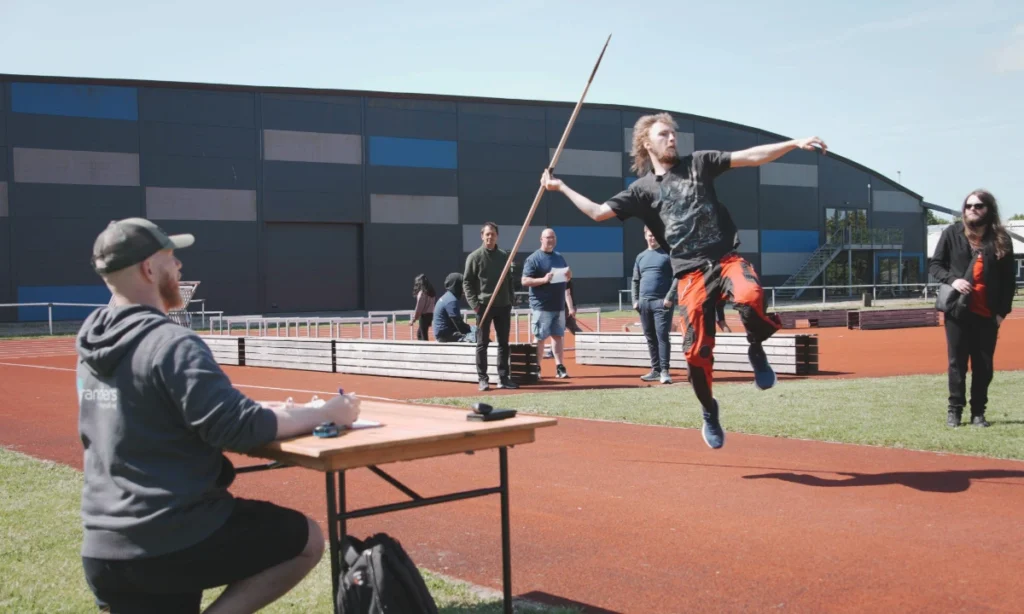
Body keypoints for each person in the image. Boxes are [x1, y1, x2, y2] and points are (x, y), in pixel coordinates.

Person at [76, 218, 361, 614]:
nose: (179, 268)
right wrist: (328, 412)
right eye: (171, 258)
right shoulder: (172, 343)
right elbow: (240, 427)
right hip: (170, 535)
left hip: (103, 545)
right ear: (148, 269)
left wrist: (281, 412)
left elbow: (159, 416)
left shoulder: (90, 352)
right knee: (306, 539)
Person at [541, 112, 827, 449]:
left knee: (750, 295)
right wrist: (560, 187)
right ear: (647, 143)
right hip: (690, 275)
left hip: (725, 260)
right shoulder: (642, 190)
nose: (673, 139)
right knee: (696, 353)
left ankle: (756, 348)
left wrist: (793, 143)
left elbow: (750, 157)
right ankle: (709, 410)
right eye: (664, 135)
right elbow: (597, 212)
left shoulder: (699, 164)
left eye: (674, 134)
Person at [928, 189, 1015, 428]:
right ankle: (954, 410)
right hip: (957, 311)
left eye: (978, 206)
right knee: (956, 363)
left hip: (987, 313)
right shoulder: (951, 233)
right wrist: (952, 279)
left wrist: (1001, 313)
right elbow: (935, 265)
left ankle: (978, 412)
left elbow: (1009, 281)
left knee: (983, 365)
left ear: (989, 209)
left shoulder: (1000, 238)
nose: (972, 210)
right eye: (968, 206)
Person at [463, 222, 519, 391]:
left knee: (503, 343)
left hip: (503, 305)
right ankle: (483, 378)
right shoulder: (474, 257)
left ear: (497, 236)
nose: (490, 237)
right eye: (487, 234)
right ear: (482, 236)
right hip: (484, 306)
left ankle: (503, 377)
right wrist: (475, 305)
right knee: (482, 344)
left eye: (493, 234)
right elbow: (467, 283)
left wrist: (510, 298)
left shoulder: (504, 256)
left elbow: (509, 280)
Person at [522, 228, 573, 379]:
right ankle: (536, 367)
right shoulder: (533, 259)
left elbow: (565, 278)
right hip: (541, 306)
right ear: (541, 239)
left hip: (558, 305)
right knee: (540, 337)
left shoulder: (559, 257)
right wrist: (543, 280)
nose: (551, 240)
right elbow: (525, 280)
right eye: (548, 237)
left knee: (558, 336)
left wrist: (568, 276)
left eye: (553, 237)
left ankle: (560, 366)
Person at [632, 225, 679, 384]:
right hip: (644, 304)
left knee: (662, 337)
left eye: (654, 235)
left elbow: (677, 277)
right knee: (650, 337)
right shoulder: (640, 257)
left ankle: (665, 371)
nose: (652, 238)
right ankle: (655, 370)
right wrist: (635, 300)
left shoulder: (668, 254)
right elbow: (636, 280)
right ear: (645, 235)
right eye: (649, 235)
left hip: (662, 303)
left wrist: (669, 297)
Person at [433, 272, 476, 343]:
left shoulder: (447, 296)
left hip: (444, 334)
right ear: (457, 285)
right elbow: (459, 324)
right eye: (462, 285)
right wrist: (471, 330)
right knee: (477, 335)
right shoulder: (451, 300)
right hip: (446, 336)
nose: (464, 287)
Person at [410, 274, 437, 341]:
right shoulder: (431, 292)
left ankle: (426, 349)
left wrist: (413, 319)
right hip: (431, 315)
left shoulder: (422, 293)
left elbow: (419, 307)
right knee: (420, 333)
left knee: (423, 335)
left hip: (424, 316)